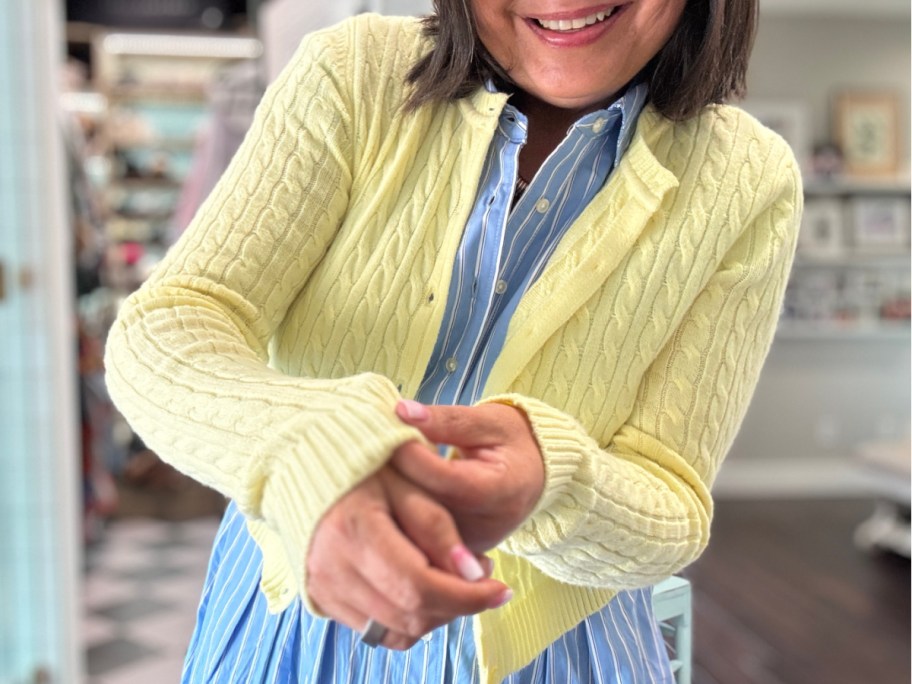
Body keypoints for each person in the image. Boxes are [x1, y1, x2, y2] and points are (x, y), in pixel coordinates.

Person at [103, 0, 802, 681]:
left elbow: (671, 501)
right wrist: (306, 450)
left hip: (566, 657)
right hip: (293, 632)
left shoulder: (749, 181)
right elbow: (169, 326)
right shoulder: (354, 73)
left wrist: (555, 479)